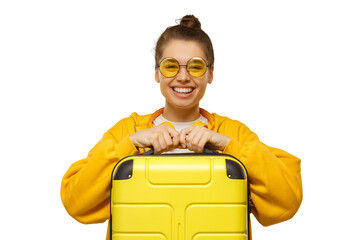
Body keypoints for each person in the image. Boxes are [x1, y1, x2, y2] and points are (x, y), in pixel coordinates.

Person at [61, 15, 302, 239]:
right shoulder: (128, 130)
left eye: (195, 66)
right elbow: (76, 203)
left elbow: (286, 202)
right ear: (157, 73)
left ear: (210, 74)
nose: (183, 77)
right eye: (170, 66)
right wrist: (131, 143)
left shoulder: (233, 133)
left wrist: (225, 144)